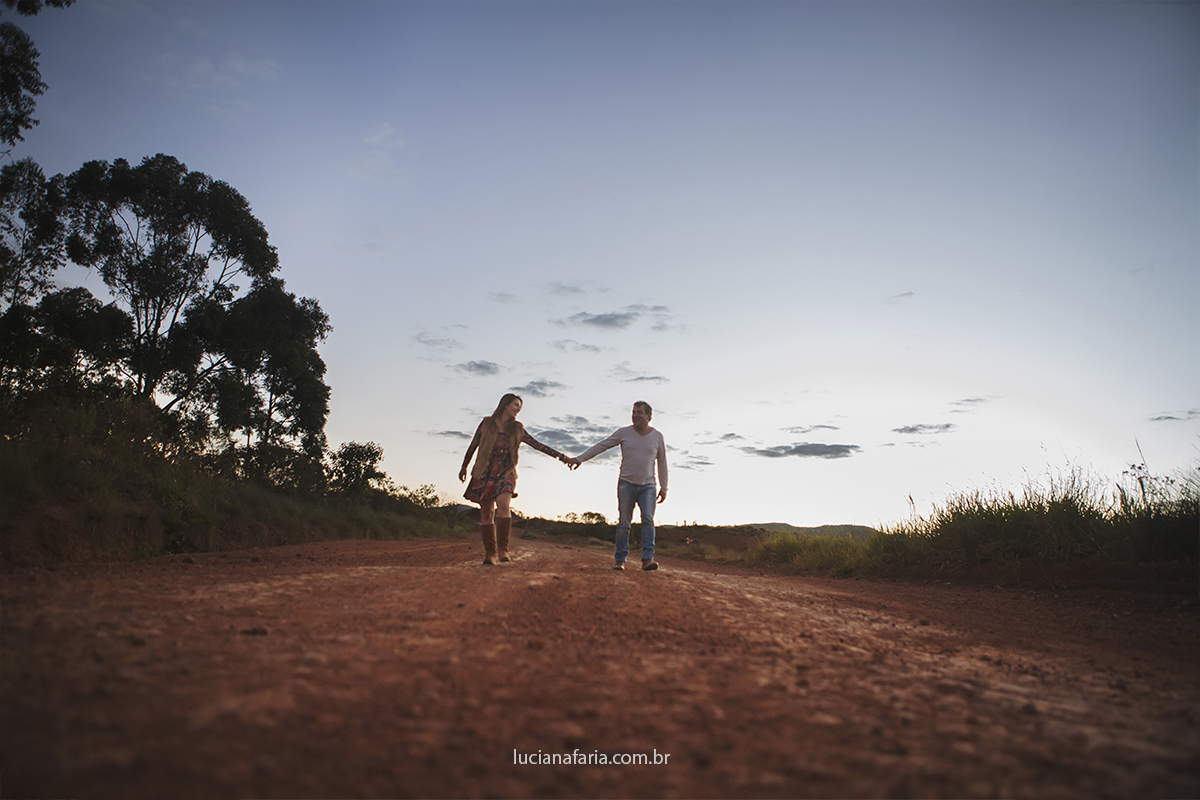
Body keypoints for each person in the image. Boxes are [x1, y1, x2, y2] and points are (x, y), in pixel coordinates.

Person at [459, 393, 574, 565]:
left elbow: (538, 444)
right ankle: (490, 553)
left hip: (506, 473)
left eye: (520, 406)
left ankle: (503, 550)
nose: (518, 409)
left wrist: (561, 456)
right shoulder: (487, 423)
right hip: (484, 472)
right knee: (486, 513)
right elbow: (474, 444)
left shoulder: (517, 429)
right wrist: (464, 466)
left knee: (504, 505)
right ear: (505, 405)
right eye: (515, 405)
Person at [568, 401, 668, 571]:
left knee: (647, 520)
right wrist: (580, 458)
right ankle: (620, 560)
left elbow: (662, 462)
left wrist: (664, 487)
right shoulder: (624, 433)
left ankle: (647, 559)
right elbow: (602, 445)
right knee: (624, 523)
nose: (635, 415)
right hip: (626, 484)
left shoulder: (657, 436)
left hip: (648, 487)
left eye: (640, 412)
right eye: (634, 412)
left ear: (649, 417)